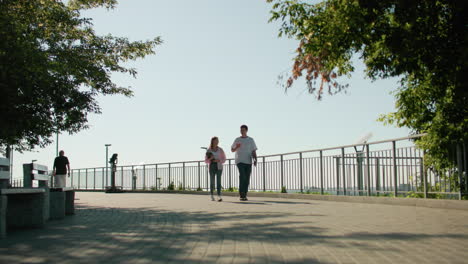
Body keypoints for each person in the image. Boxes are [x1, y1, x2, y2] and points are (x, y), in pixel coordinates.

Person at [231, 125, 257, 201]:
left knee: (247, 178)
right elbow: (232, 150)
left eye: (243, 130)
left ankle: (244, 195)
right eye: (241, 130)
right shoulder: (237, 139)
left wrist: (255, 159)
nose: (242, 131)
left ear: (246, 130)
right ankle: (241, 194)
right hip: (239, 161)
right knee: (242, 176)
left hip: (248, 161)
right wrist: (236, 147)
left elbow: (253, 151)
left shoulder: (251, 140)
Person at [205, 137, 226, 201]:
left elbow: (224, 159)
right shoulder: (209, 150)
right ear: (212, 141)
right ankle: (211, 195)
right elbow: (206, 161)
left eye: (217, 141)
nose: (217, 142)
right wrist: (210, 159)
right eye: (215, 141)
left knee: (218, 182)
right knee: (212, 182)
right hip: (212, 166)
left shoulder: (220, 149)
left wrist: (219, 160)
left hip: (219, 166)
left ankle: (219, 195)